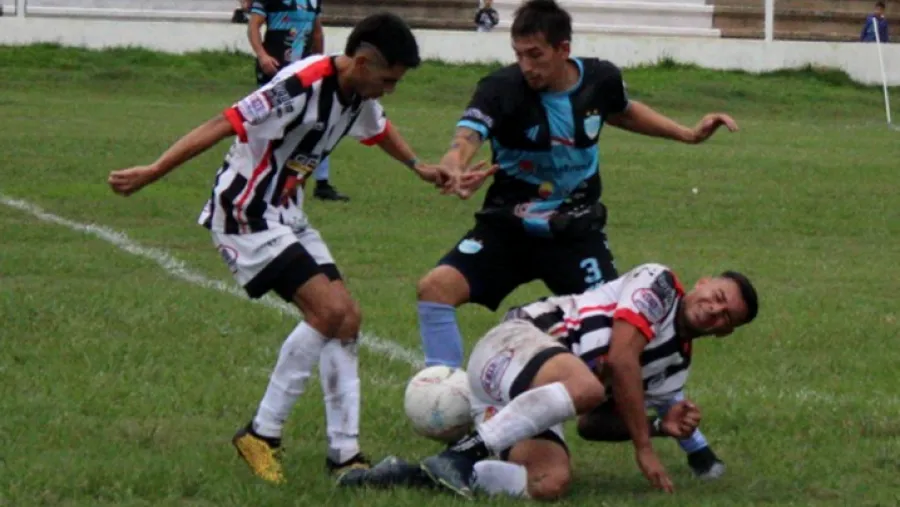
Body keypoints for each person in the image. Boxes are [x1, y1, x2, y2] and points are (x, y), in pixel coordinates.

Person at [107, 12, 489, 485]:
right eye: (388, 80)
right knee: (328, 311)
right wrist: (153, 171)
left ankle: (345, 456)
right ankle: (261, 434)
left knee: (347, 319)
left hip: (287, 212)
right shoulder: (302, 83)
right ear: (363, 62)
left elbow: (378, 129)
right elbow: (225, 122)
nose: (389, 90)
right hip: (246, 212)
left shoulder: (360, 91)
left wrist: (418, 166)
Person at [416, 0, 737, 477]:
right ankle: (444, 399)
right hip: (508, 228)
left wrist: (687, 135)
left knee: (629, 338)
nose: (526, 65)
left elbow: (623, 112)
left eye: (536, 55)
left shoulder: (599, 79)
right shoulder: (500, 87)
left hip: (576, 233)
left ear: (563, 49)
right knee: (435, 289)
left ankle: (692, 442)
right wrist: (453, 163)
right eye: (519, 54)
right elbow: (468, 134)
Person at [412, 262, 760, 499]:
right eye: (717, 297)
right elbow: (622, 358)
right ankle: (461, 455)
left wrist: (657, 426)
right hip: (512, 344)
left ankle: (417, 475)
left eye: (726, 317)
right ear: (702, 283)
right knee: (587, 385)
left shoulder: (675, 371)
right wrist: (643, 447)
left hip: (520, 401)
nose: (714, 311)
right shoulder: (661, 283)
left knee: (549, 482)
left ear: (725, 333)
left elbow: (592, 424)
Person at [248, 0, 350, 201]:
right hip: (274, 71)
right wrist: (262, 56)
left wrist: (321, 64)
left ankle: (322, 183)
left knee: (318, 122)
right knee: (270, 123)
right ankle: (258, 174)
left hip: (304, 73)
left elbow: (317, 33)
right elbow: (253, 26)